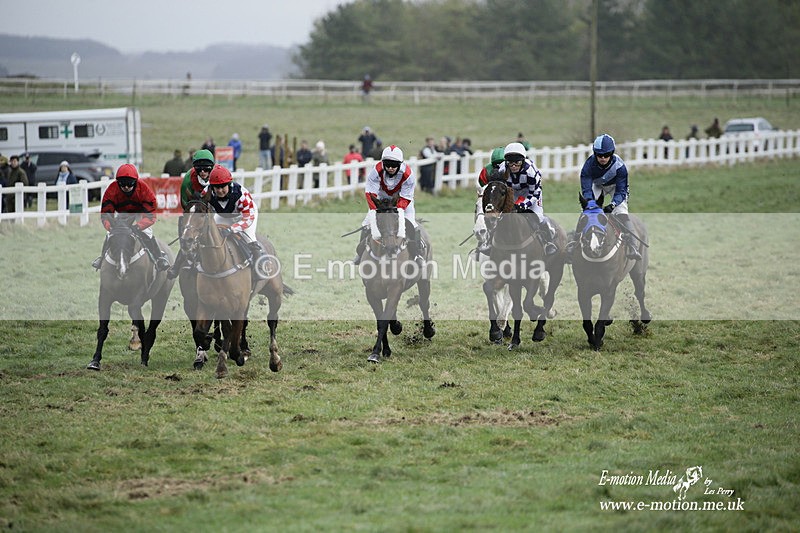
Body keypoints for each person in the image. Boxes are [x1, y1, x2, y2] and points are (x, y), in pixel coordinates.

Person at [570, 133, 642, 261]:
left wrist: (612, 205)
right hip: (598, 185)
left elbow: (621, 192)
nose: (603, 158)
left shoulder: (620, 167)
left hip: (616, 187)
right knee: (586, 211)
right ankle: (575, 242)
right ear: (595, 154)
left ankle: (632, 246)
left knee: (621, 211)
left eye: (607, 155)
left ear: (612, 153)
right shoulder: (588, 166)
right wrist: (591, 204)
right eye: (599, 155)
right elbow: (586, 189)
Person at [354, 145, 424, 266]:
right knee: (366, 224)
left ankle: (417, 254)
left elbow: (406, 197)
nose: (390, 168)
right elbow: (371, 194)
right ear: (383, 163)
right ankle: (360, 254)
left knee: (412, 224)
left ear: (400, 164)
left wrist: (396, 209)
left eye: (394, 165)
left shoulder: (408, 175)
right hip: (381, 200)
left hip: (402, 200)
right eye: (387, 164)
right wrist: (376, 210)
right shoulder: (375, 172)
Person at [91, 164, 170, 271]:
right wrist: (111, 227)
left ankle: (159, 258)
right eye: (123, 184)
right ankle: (102, 258)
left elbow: (150, 216)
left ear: (135, 182)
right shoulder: (112, 189)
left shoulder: (144, 189)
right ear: (118, 183)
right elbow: (106, 214)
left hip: (140, 213)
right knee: (110, 234)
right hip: (122, 214)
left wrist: (137, 227)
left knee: (147, 232)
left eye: (129, 184)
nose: (126, 187)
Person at [204, 165, 269, 279]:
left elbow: (248, 219)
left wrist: (231, 229)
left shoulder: (241, 195)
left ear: (229, 184)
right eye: (216, 187)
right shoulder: (206, 193)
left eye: (222, 187)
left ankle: (259, 269)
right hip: (223, 215)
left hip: (245, 216)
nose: (219, 190)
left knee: (249, 238)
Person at [494, 142, 558, 256]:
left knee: (538, 217)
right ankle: (489, 244)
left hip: (531, 192)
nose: (513, 166)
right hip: (512, 192)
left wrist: (524, 205)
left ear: (523, 161)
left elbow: (535, 192)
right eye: (510, 162)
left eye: (517, 162)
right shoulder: (502, 169)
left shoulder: (531, 171)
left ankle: (548, 242)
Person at [167, 149, 216, 278]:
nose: (203, 172)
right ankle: (177, 266)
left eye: (206, 169)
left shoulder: (218, 175)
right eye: (200, 169)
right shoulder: (188, 179)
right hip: (193, 207)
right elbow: (185, 204)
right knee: (186, 236)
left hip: (213, 208)